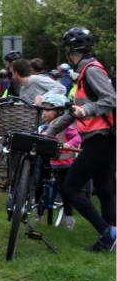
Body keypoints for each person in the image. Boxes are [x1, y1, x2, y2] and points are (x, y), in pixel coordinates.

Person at [43, 27, 115, 252]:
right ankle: (109, 238)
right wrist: (49, 132)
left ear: (70, 52)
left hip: (101, 138)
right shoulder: (83, 74)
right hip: (101, 139)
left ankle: (108, 234)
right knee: (104, 188)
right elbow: (73, 111)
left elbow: (111, 100)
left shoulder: (91, 71)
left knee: (71, 188)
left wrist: (88, 110)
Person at [37, 93, 81, 229]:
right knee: (38, 183)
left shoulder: (66, 126)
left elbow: (77, 138)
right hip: (48, 162)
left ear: (59, 111)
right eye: (44, 109)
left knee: (65, 190)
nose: (45, 113)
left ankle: (69, 216)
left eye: (49, 109)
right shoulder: (44, 126)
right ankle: (37, 211)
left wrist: (69, 144)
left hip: (64, 164)